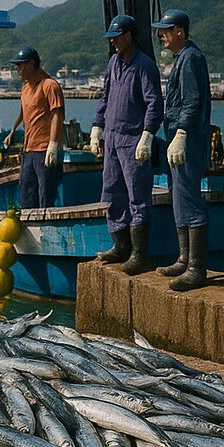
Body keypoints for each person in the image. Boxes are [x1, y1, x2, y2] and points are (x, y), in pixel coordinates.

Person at [91, 15, 163, 274]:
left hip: (132, 139)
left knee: (137, 195)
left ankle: (139, 254)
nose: (112, 41)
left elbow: (154, 103)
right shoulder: (114, 63)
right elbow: (105, 96)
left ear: (128, 36)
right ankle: (121, 245)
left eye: (116, 37)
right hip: (111, 137)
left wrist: (147, 134)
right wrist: (97, 126)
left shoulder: (144, 65)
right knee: (112, 192)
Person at [152, 8, 211, 290]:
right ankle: (184, 259)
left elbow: (192, 101)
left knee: (189, 198)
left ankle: (196, 268)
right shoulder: (181, 58)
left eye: (165, 31)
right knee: (178, 196)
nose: (161, 36)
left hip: (188, 139)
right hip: (177, 137)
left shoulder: (190, 58)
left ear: (180, 31)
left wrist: (183, 132)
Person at [3, 46, 65, 209]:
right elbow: (24, 112)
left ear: (31, 64)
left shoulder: (50, 85)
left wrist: (53, 145)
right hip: (28, 149)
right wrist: (12, 131)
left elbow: (57, 115)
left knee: (46, 195)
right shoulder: (25, 88)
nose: (18, 70)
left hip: (45, 150)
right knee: (27, 194)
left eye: (20, 65)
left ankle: (47, 224)